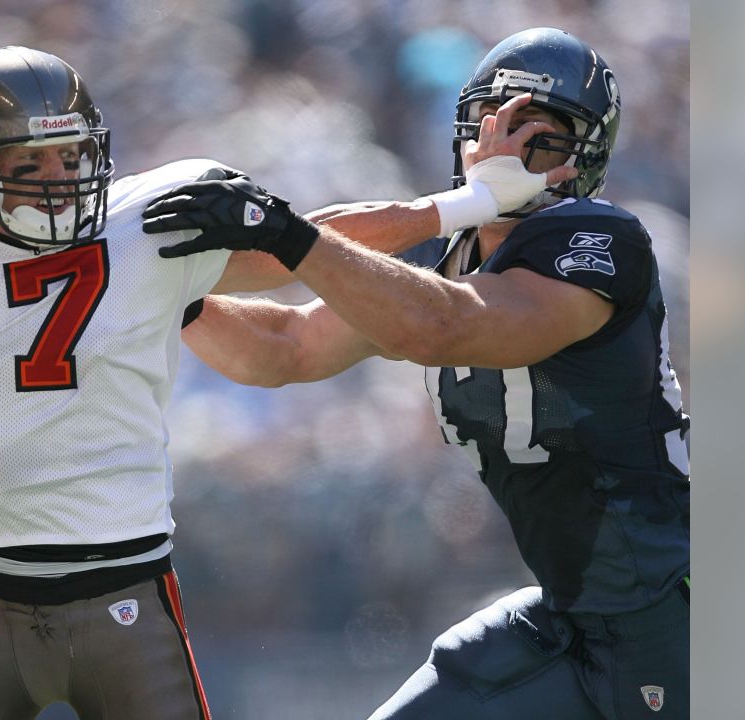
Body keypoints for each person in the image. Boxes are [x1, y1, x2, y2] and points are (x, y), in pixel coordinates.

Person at [0, 45, 566, 720]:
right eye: (29, 161)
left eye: (70, 156)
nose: (58, 178)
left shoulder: (145, 225)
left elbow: (309, 241)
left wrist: (467, 203)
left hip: (124, 593)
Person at [145, 28, 690, 719]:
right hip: (569, 614)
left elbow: (448, 325)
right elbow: (284, 346)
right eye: (490, 126)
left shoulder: (601, 243)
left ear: (579, 164)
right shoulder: (442, 250)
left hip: (673, 613)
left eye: (541, 139)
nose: (507, 150)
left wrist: (290, 233)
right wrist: (167, 300)